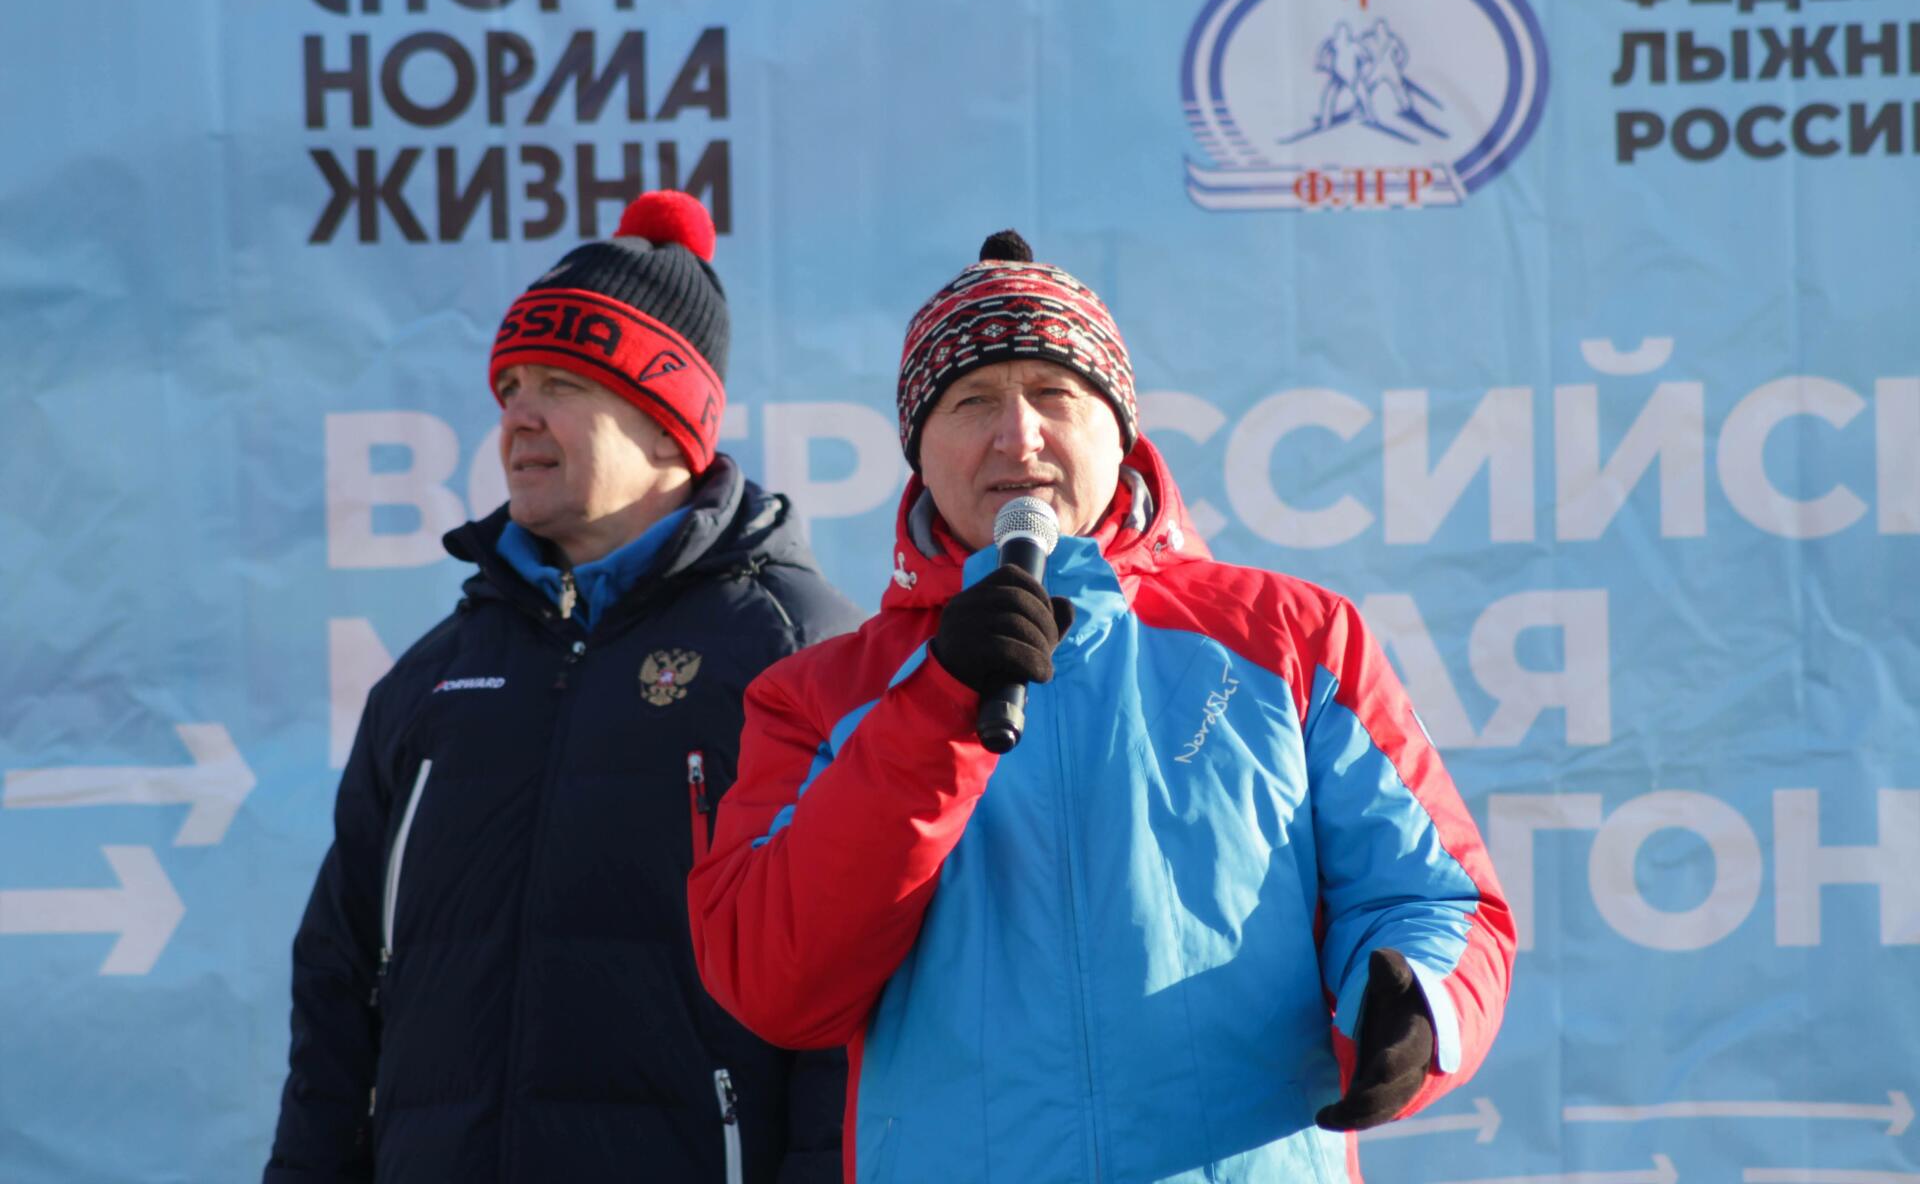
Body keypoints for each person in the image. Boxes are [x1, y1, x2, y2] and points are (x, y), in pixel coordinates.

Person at [688, 230, 1514, 1182]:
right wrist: (933, 709)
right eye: (971, 402)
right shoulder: (818, 695)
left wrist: (1419, 1004)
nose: (1017, 436)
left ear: (1119, 433)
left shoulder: (1295, 639)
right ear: (920, 450)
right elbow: (774, 982)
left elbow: (1429, 896)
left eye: (1054, 394)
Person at [266, 191, 863, 1183]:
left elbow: (847, 1003)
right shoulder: (433, 675)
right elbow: (337, 986)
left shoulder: (798, 650)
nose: (519, 418)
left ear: (670, 428)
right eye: (510, 388)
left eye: (563, 384)